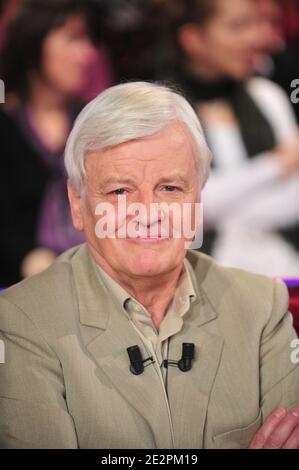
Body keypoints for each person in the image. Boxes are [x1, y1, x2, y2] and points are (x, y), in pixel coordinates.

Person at [0, 82, 298, 449]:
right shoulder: (20, 320)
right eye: (120, 192)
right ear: (77, 205)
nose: (147, 213)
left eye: (170, 188)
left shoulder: (262, 305)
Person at [154, 0, 299, 277]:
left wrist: (219, 209)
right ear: (193, 39)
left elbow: (295, 197)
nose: (254, 38)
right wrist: (277, 164)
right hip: (202, 278)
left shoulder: (267, 96)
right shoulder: (162, 109)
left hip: (286, 267)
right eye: (237, 26)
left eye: (253, 25)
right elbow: (178, 208)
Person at [0, 0, 98, 285]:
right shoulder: (6, 127)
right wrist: (34, 262)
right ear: (33, 45)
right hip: (18, 284)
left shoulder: (92, 123)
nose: (88, 54)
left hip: (93, 272)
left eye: (87, 40)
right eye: (73, 39)